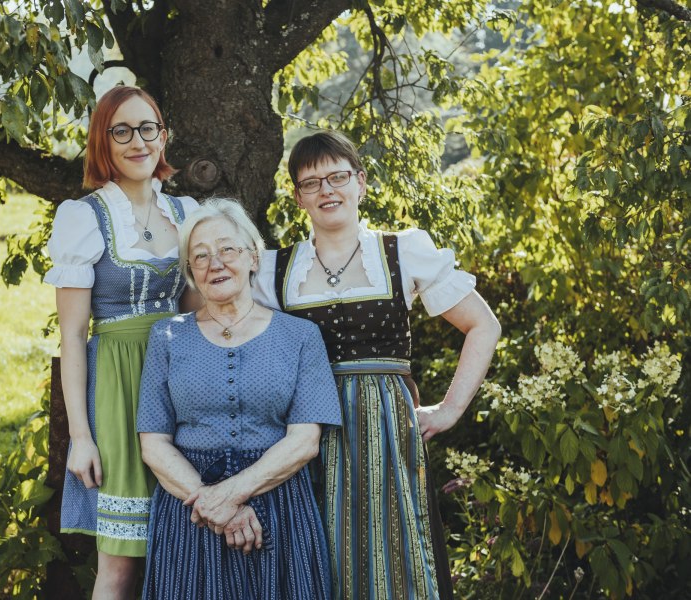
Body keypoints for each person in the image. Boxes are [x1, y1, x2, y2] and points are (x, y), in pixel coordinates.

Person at [254, 131, 501, 600]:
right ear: (298, 196)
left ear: (361, 183)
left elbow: (483, 326)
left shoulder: (402, 252)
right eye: (312, 183)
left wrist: (448, 410)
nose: (327, 190)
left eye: (338, 177)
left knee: (395, 555)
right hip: (307, 431)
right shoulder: (274, 270)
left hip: (387, 429)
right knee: (316, 553)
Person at [136, 198, 342, 600]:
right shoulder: (166, 337)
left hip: (278, 504)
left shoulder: (300, 336)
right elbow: (153, 445)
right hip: (189, 511)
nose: (215, 263)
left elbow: (305, 441)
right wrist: (216, 506)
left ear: (252, 256)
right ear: (191, 273)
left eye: (227, 249)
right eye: (200, 256)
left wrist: (230, 496)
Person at [43, 85, 198, 599]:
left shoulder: (186, 213)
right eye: (122, 131)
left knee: (185, 545)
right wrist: (81, 437)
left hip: (180, 384)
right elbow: (72, 336)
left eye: (147, 128)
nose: (138, 142)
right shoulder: (84, 217)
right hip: (118, 388)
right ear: (103, 142)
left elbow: (200, 311)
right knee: (120, 562)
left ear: (164, 136)